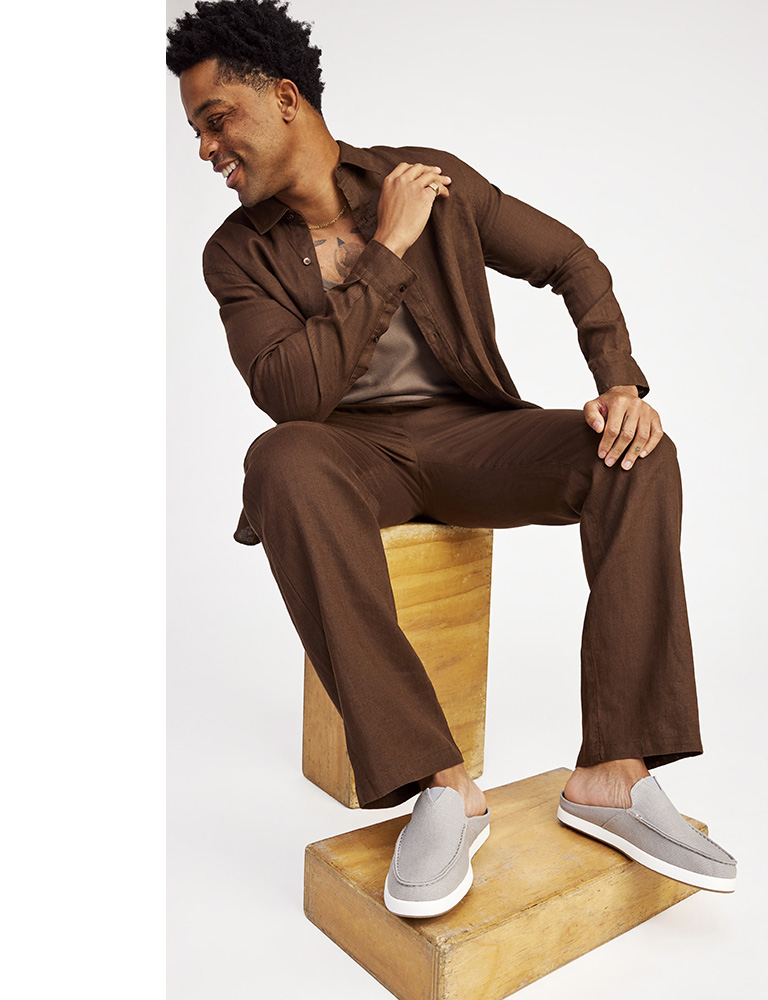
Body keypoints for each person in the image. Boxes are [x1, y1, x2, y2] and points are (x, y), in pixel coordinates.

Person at [166, 0, 736, 918]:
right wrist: (389, 245)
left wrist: (621, 383)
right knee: (279, 459)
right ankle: (440, 786)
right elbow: (293, 396)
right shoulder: (234, 256)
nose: (205, 149)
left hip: (472, 438)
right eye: (196, 130)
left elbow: (571, 260)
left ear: (284, 98)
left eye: (215, 119)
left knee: (636, 456)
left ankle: (614, 774)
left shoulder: (432, 180)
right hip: (348, 456)